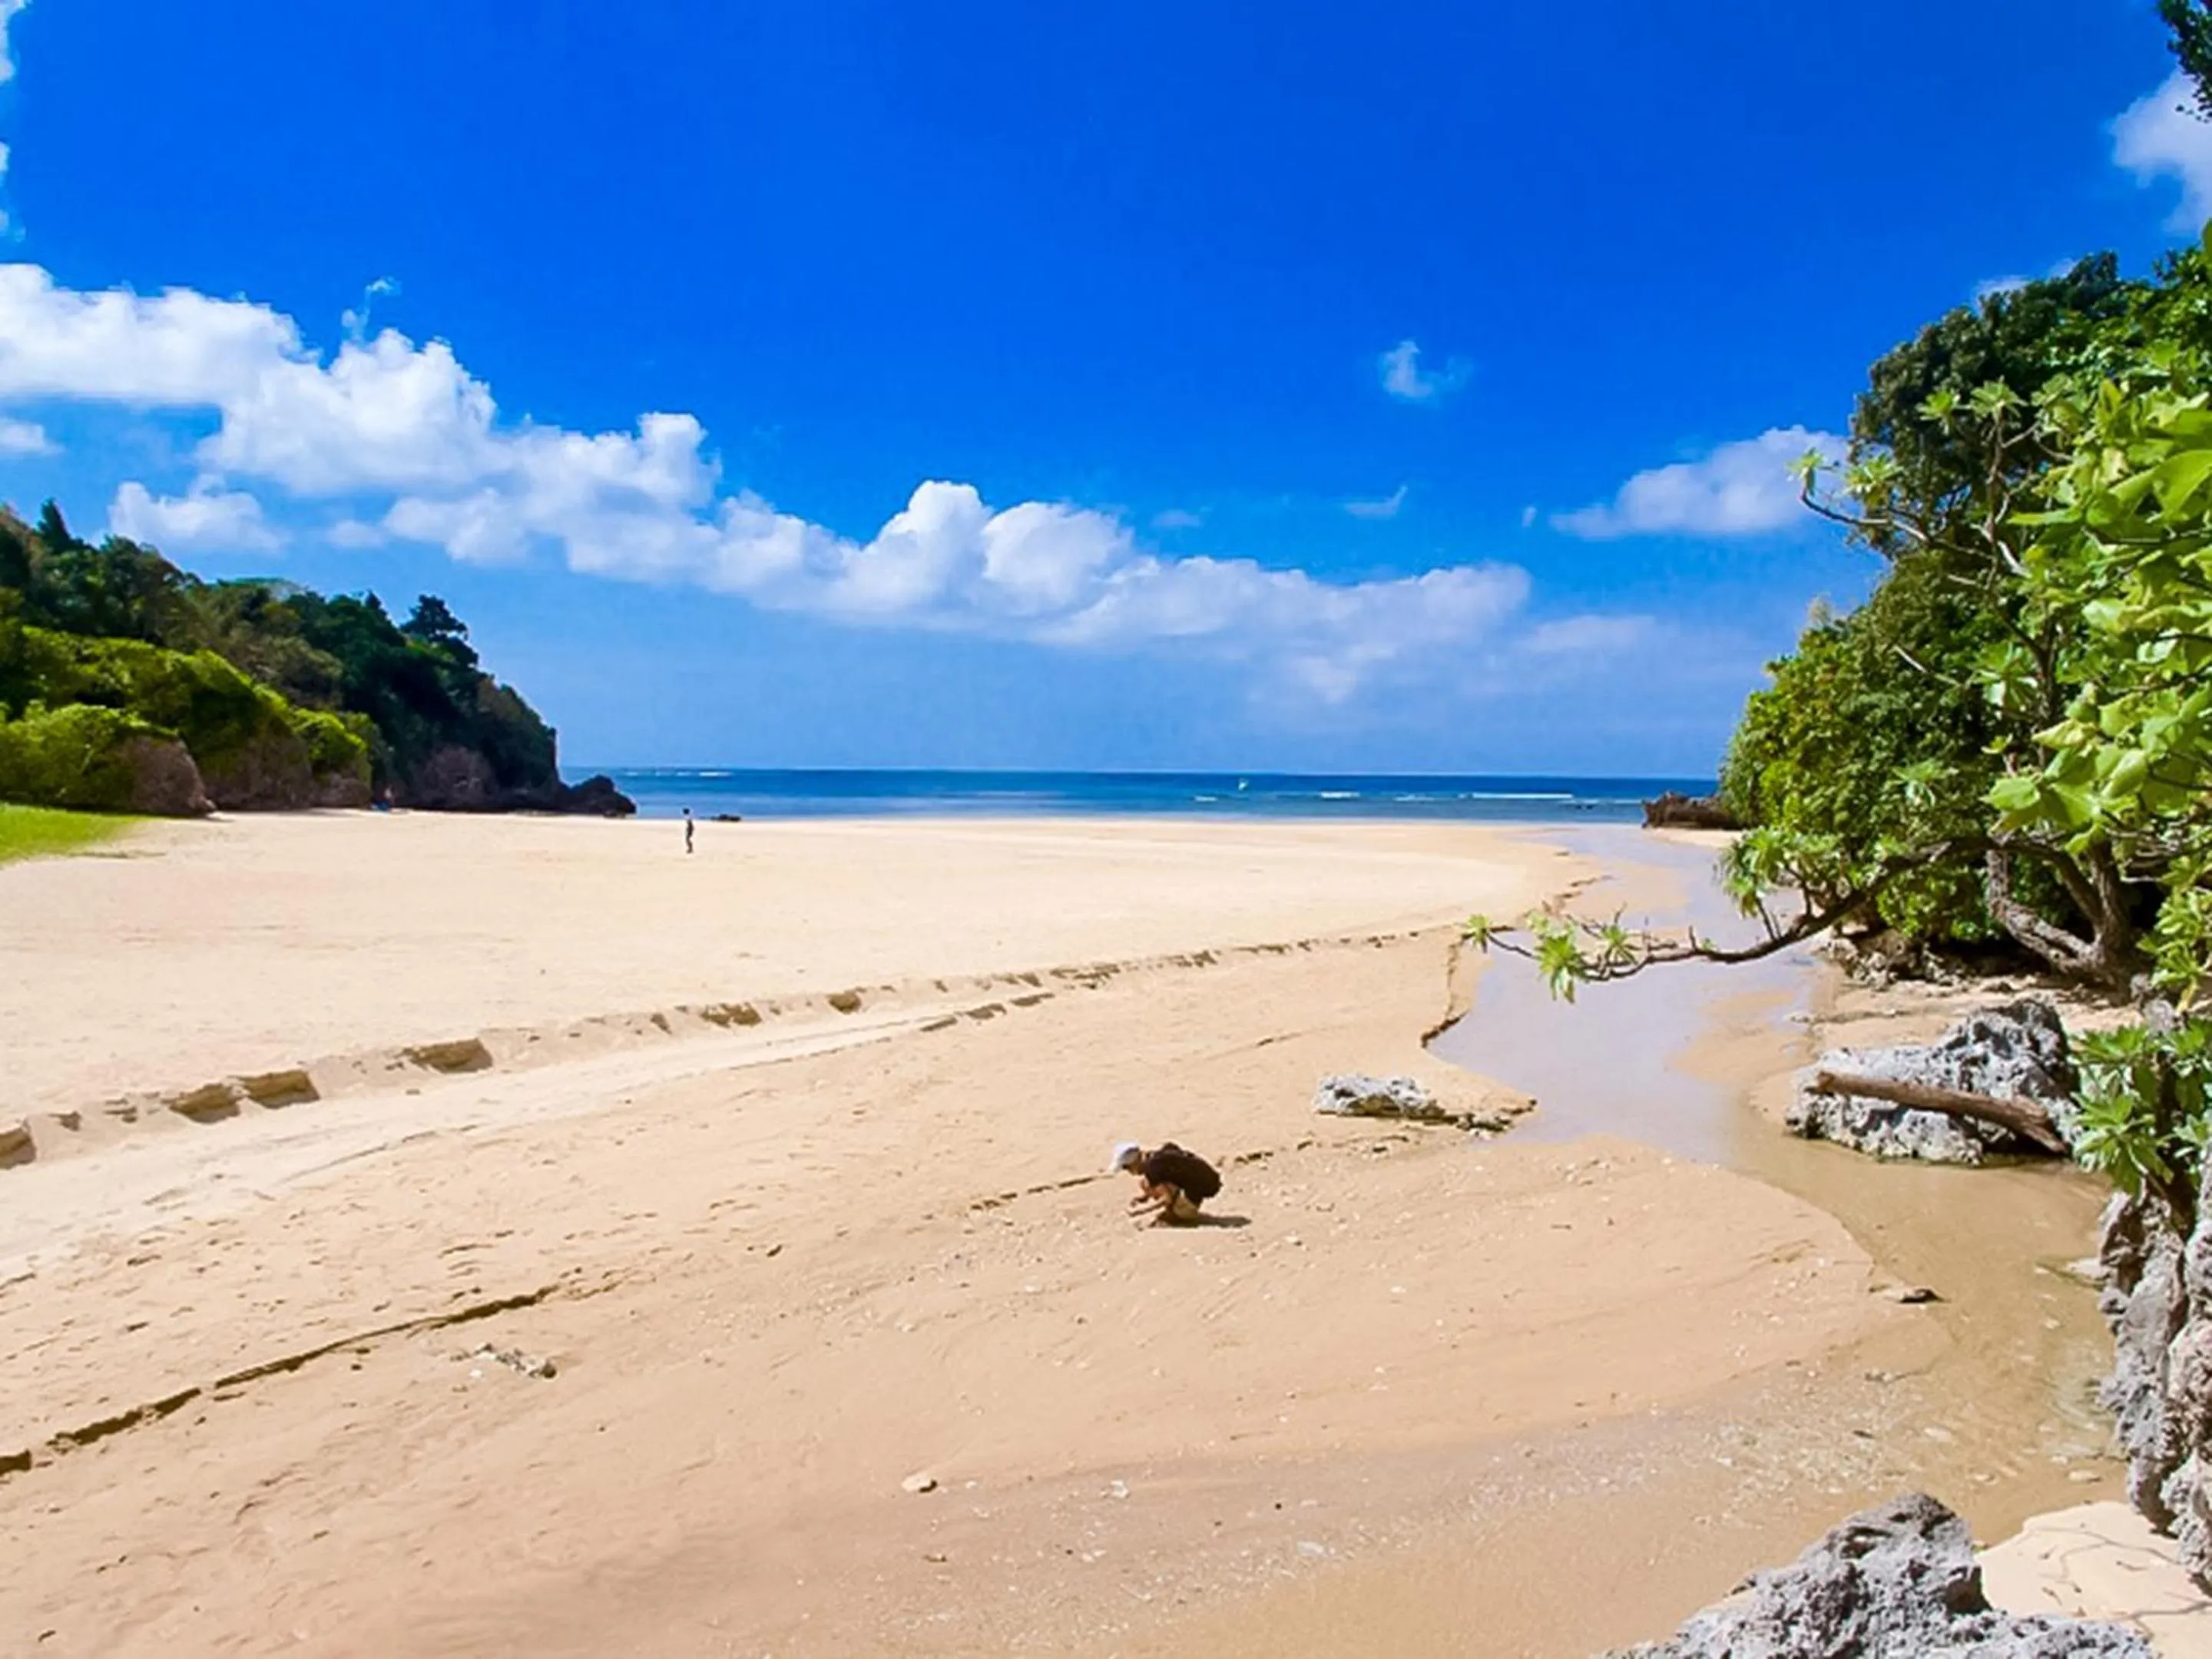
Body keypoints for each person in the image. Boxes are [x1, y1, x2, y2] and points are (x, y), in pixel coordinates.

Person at [1111, 1140, 1221, 1225]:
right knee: (1146, 1183)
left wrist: (1141, 1211)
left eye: (1127, 1168)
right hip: (1210, 1181)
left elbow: (1165, 1199)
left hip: (1199, 1191)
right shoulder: (1159, 1154)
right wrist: (1145, 1197)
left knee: (1165, 1215)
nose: (1130, 1172)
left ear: (1133, 1163)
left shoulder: (1153, 1169)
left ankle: (1184, 1211)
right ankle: (1183, 1205)